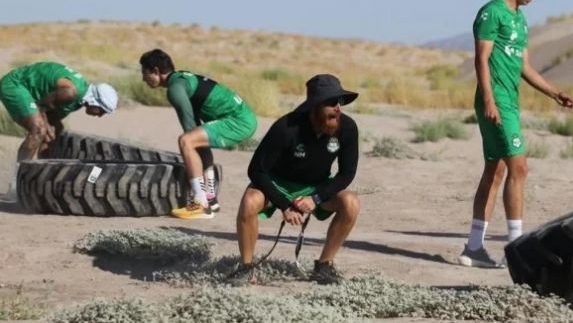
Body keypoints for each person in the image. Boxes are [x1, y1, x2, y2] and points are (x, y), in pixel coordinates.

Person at [459, 0, 573, 268]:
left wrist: (556, 93)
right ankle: (517, 250)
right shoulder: (491, 13)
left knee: (497, 171)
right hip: (496, 100)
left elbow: (525, 66)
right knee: (520, 168)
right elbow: (481, 59)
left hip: (511, 101)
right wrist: (488, 100)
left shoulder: (519, 20)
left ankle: (473, 248)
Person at [232, 74, 360, 285]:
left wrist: (316, 198)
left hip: (315, 187)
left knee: (351, 203)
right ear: (314, 106)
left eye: (340, 101)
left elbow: (347, 174)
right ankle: (246, 267)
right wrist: (284, 204)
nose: (338, 108)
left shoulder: (347, 128)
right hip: (278, 183)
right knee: (249, 201)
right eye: (331, 102)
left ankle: (324, 266)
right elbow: (256, 170)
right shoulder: (286, 127)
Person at [139, 49, 257, 220]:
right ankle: (210, 199)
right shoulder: (180, 79)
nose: (143, 79)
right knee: (196, 141)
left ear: (156, 71)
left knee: (186, 141)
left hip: (238, 122)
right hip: (243, 119)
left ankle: (200, 203)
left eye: (145, 73)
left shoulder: (175, 89)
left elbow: (189, 131)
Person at [0, 62, 118, 162]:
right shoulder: (70, 93)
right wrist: (45, 126)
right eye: (102, 111)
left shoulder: (77, 102)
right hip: (15, 85)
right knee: (39, 130)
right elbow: (41, 106)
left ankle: (42, 172)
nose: (100, 116)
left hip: (32, 93)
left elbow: (50, 118)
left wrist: (50, 128)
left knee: (54, 131)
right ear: (95, 101)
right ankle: (18, 177)